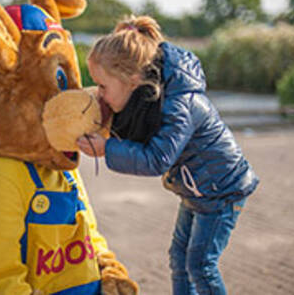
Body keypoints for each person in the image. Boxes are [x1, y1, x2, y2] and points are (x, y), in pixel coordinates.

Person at [77, 15, 259, 295]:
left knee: (200, 264)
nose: (100, 95)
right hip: (197, 189)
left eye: (103, 87)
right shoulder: (150, 95)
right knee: (179, 259)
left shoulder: (180, 103)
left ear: (132, 80)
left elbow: (156, 159)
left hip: (222, 191)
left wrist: (106, 149)